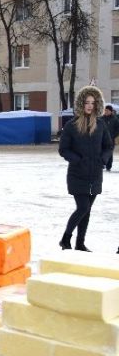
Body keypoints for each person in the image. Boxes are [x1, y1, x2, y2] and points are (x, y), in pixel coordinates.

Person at [58, 86, 114, 252]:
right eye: (87, 102)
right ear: (82, 104)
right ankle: (65, 239)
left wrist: (102, 159)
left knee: (87, 211)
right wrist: (78, 160)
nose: (90, 105)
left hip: (95, 174)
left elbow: (108, 146)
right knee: (83, 207)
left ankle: (79, 243)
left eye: (93, 102)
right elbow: (63, 149)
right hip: (77, 174)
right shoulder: (71, 125)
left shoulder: (101, 125)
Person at [101, 105, 119, 171]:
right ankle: (102, 164)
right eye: (105, 110)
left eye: (107, 110)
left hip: (111, 139)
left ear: (111, 111)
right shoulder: (101, 118)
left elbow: (118, 129)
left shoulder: (115, 119)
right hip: (102, 139)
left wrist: (114, 135)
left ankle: (109, 166)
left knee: (109, 153)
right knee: (101, 151)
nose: (106, 112)